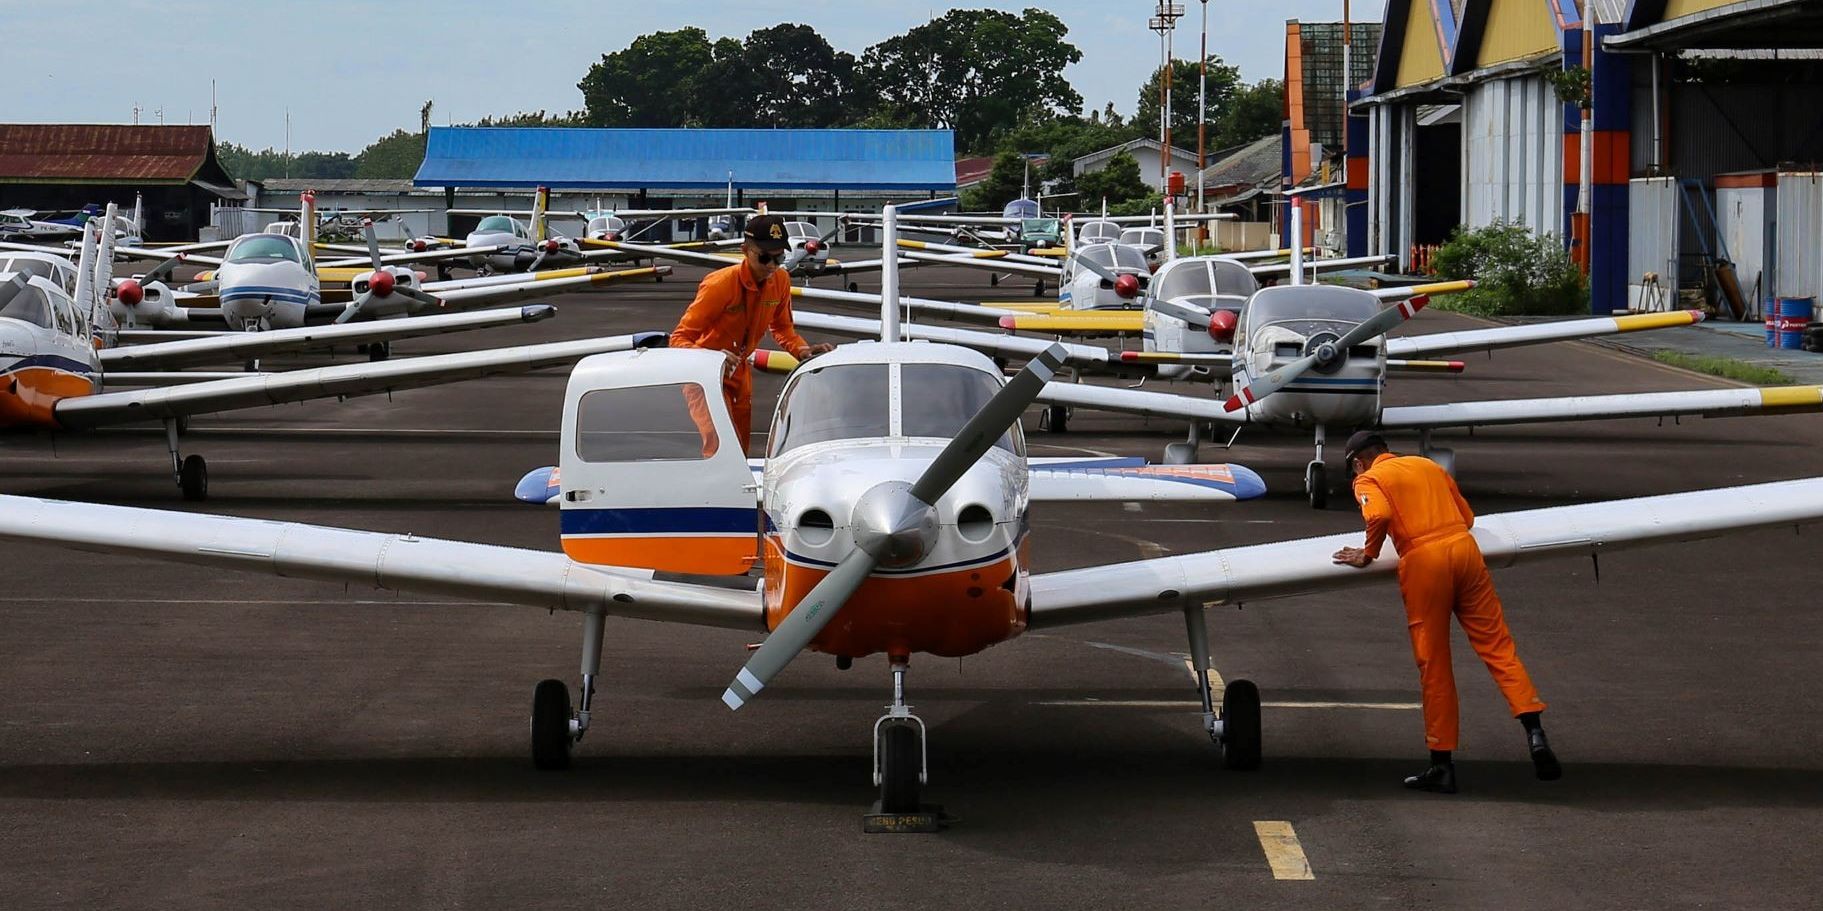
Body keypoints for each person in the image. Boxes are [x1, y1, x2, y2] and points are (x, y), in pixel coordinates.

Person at [1331, 431, 1560, 793]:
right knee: (1498, 646)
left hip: (1425, 563)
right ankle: (1535, 732)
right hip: (1465, 552)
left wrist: (1369, 552)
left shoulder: (1369, 478)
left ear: (1358, 462)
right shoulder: (1428, 466)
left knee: (1434, 661)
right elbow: (1467, 518)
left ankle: (1442, 765)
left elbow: (1379, 514)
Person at [669, 214, 833, 453]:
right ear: (745, 250)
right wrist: (712, 358)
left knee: (741, 449)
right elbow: (679, 339)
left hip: (740, 374)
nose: (771, 266)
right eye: (765, 257)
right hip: (703, 377)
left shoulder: (780, 280)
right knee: (721, 448)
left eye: (779, 257)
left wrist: (803, 350)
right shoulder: (719, 285)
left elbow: (783, 327)